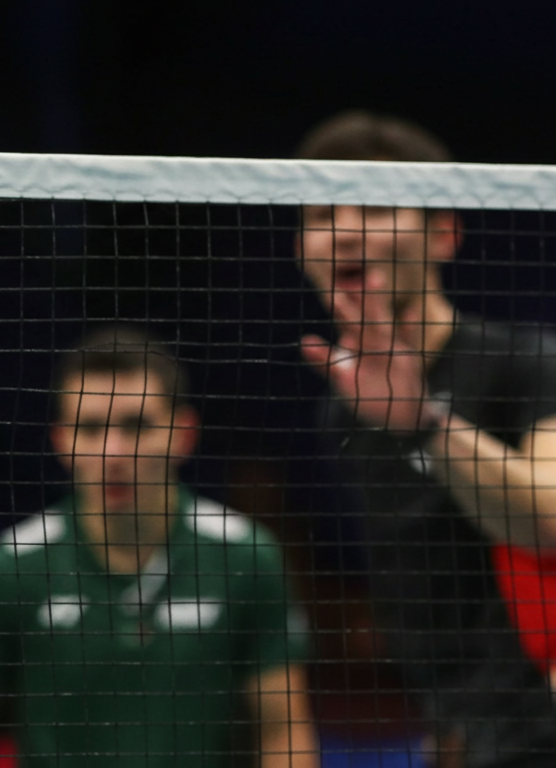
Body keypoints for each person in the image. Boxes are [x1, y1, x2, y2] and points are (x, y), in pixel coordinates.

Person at [0, 325, 318, 768]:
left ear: (183, 434)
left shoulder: (246, 557)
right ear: (62, 440)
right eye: (90, 428)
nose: (113, 452)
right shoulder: (13, 566)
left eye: (136, 426)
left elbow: (283, 734)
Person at [295, 110, 556, 768]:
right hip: (460, 734)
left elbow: (548, 518)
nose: (345, 230)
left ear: (444, 233)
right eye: (322, 214)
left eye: (376, 207)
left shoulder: (530, 363)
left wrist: (425, 423)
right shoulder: (341, 411)